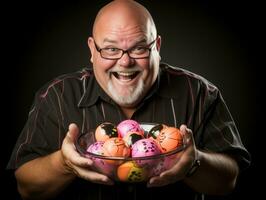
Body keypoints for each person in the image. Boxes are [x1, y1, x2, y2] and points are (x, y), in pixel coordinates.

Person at [7, 0, 251, 199]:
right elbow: (26, 188)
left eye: (139, 48)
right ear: (92, 50)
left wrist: (195, 161)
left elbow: (229, 180)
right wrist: (63, 163)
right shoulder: (57, 96)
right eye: (111, 49)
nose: (125, 62)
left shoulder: (198, 92)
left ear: (157, 46)